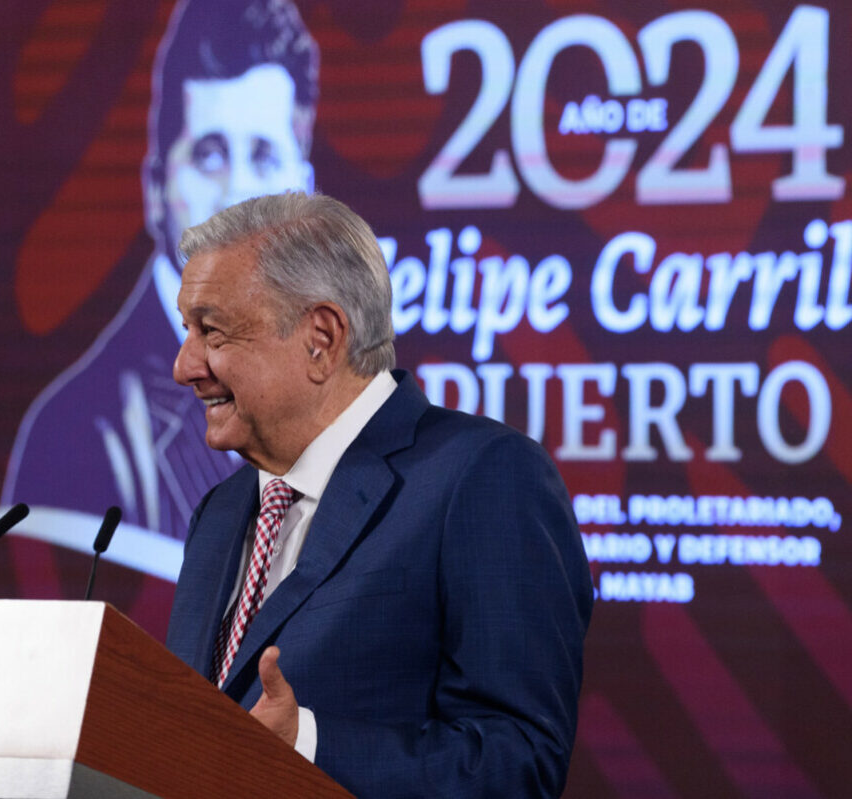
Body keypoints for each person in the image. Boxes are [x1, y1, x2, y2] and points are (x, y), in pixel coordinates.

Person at [166, 192, 594, 797]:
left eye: (211, 331)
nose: (185, 366)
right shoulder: (222, 511)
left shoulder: (482, 477)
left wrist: (309, 745)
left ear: (321, 338)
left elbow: (519, 761)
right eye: (187, 330)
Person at [0, 0, 318, 599]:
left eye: (263, 156)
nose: (237, 194)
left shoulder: (339, 407)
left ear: (306, 194)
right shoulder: (80, 433)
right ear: (154, 190)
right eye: (210, 154)